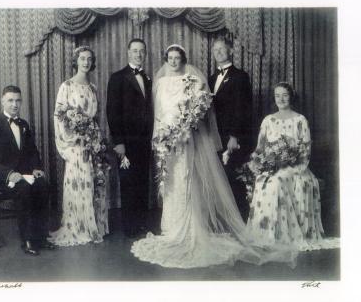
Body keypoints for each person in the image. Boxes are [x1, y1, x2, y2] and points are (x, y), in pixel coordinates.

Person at [131, 45, 297, 269]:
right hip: (166, 141)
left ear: (183, 59)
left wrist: (186, 127)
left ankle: (190, 226)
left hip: (186, 138)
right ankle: (170, 226)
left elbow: (201, 112)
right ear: (165, 59)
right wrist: (159, 139)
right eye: (169, 58)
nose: (173, 61)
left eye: (177, 58)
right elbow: (158, 114)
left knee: (186, 179)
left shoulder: (193, 80)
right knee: (170, 182)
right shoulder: (159, 83)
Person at [245, 82, 340, 250]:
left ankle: (281, 236)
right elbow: (260, 148)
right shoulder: (268, 120)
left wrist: (293, 165)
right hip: (272, 166)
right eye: (277, 96)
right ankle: (265, 235)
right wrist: (257, 162)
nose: (281, 99)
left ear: (291, 97)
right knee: (262, 180)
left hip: (295, 168)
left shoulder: (300, 120)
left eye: (285, 95)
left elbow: (305, 149)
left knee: (276, 182)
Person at [0, 85, 54, 255]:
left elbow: (32, 151)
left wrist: (36, 168)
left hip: (23, 174)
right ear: (2, 101)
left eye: (18, 101)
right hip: (1, 178)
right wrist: (8, 174)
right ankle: (27, 240)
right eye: (10, 100)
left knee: (43, 185)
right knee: (24, 190)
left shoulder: (23, 124)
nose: (15, 104)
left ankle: (41, 237)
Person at [48, 46, 109, 246]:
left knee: (95, 183)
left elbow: (97, 118)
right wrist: (74, 137)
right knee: (80, 183)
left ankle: (94, 227)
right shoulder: (66, 86)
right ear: (76, 61)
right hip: (76, 145)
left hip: (92, 142)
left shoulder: (93, 88)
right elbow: (59, 116)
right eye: (82, 58)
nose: (86, 62)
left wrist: (96, 140)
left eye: (89, 59)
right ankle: (78, 227)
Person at [106, 38, 153, 238]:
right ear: (128, 53)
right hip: (126, 141)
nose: (138, 54)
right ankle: (130, 227)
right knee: (128, 184)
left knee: (142, 182)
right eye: (135, 51)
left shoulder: (148, 78)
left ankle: (141, 223)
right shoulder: (117, 77)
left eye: (142, 51)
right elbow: (112, 112)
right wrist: (119, 142)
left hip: (144, 140)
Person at [209, 37, 253, 221]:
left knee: (233, 177)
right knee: (219, 178)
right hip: (214, 136)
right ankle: (224, 220)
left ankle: (240, 220)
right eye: (215, 49)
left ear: (231, 51)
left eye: (222, 49)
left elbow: (243, 109)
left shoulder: (241, 76)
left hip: (231, 136)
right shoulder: (210, 78)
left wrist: (234, 136)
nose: (218, 52)